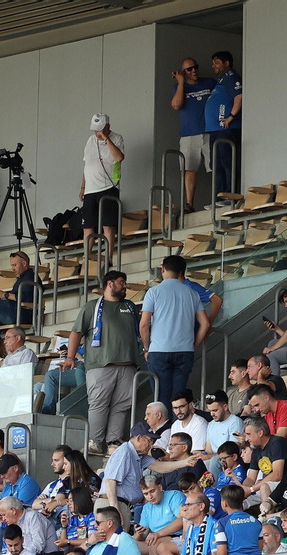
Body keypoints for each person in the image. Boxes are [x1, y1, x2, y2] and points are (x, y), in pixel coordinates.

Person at [67, 270, 142, 453]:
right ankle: (95, 441)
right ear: (110, 284)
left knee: (122, 405)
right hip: (101, 365)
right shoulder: (91, 307)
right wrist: (70, 357)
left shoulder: (131, 306)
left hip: (128, 365)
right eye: (121, 282)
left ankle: (113, 442)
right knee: (99, 403)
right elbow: (76, 332)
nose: (125, 286)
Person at [141, 255, 211, 404]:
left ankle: (164, 427)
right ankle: (178, 426)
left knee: (161, 398)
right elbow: (205, 324)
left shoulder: (153, 292)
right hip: (185, 350)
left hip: (159, 350)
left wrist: (146, 348)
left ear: (163, 269)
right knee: (179, 397)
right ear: (181, 272)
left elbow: (144, 324)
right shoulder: (192, 294)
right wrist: (194, 346)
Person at [81, 114, 126, 248]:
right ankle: (87, 259)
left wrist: (106, 139)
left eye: (99, 129)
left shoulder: (117, 138)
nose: (97, 132)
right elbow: (86, 165)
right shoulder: (90, 140)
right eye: (95, 129)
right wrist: (83, 187)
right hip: (90, 188)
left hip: (108, 186)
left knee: (108, 225)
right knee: (87, 226)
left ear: (108, 127)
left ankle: (109, 257)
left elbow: (119, 157)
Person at [204, 51, 242, 203]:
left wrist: (231, 116)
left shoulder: (232, 78)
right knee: (217, 165)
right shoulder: (221, 81)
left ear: (227, 63)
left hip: (226, 130)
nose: (214, 66)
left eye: (217, 62)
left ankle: (230, 195)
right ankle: (219, 197)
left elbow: (239, 96)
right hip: (215, 131)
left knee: (227, 162)